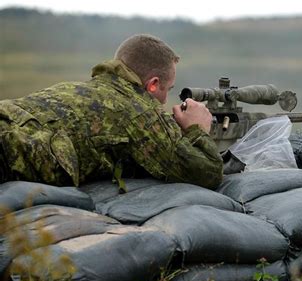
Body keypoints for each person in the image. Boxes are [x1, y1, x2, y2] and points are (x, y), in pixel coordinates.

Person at [0, 34, 223, 190]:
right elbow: (206, 173)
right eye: (168, 89)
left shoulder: (76, 87)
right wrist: (197, 128)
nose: (166, 99)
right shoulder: (138, 111)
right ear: (153, 84)